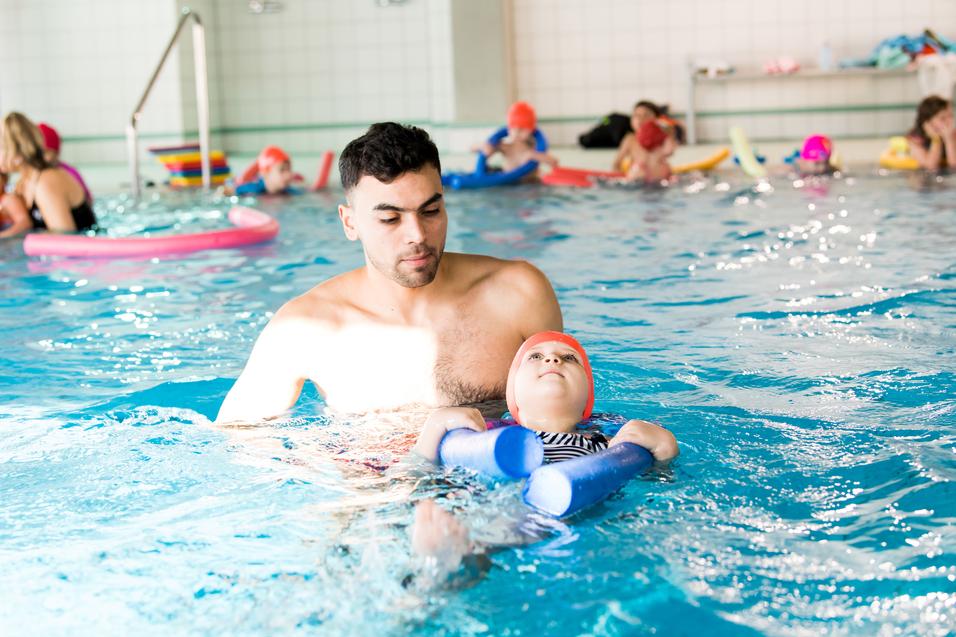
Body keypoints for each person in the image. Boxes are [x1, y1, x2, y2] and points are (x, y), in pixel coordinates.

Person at [216, 122, 562, 423]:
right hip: (372, 494)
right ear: (350, 223)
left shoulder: (517, 294)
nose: (417, 234)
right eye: (390, 219)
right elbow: (239, 439)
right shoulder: (305, 327)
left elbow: (570, 417)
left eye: (431, 210)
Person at [409, 331, 679, 579]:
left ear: (588, 396)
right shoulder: (482, 433)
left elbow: (652, 482)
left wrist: (664, 451)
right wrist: (434, 428)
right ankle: (454, 560)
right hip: (491, 503)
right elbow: (417, 471)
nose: (552, 359)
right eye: (535, 356)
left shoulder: (610, 439)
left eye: (569, 358)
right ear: (513, 391)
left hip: (576, 506)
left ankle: (459, 561)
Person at [0, 112, 96, 234]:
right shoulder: (22, 184)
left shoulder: (46, 181)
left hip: (88, 248)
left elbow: (64, 237)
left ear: (16, 152)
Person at [472, 101, 558, 177]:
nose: (517, 132)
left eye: (522, 129)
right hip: (509, 184)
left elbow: (554, 162)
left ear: (531, 129)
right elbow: (472, 148)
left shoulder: (534, 148)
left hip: (531, 185)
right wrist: (483, 145)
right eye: (514, 128)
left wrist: (533, 155)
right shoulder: (505, 146)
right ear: (508, 129)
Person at [612, 101, 677, 182]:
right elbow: (616, 164)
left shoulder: (663, 137)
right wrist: (621, 179)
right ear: (631, 120)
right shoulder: (630, 139)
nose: (641, 119)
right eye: (637, 115)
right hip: (638, 179)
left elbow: (670, 152)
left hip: (661, 180)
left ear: (656, 119)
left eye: (646, 115)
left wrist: (669, 133)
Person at [37, 122, 93, 203]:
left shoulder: (69, 172)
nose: (41, 158)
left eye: (45, 152)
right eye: (38, 153)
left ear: (56, 152)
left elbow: (87, 200)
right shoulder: (38, 173)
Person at [908, 95, 956, 171]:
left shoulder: (953, 134)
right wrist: (936, 139)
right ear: (928, 121)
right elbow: (930, 166)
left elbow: (954, 166)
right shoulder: (916, 138)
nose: (949, 122)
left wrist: (949, 140)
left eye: (951, 116)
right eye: (942, 118)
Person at [231, 145, 301, 196]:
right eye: (282, 170)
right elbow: (233, 191)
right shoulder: (252, 190)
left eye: (289, 170)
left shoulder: (290, 192)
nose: (288, 175)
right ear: (265, 173)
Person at [0, 171, 31, 238]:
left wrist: (2, 236)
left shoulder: (8, 199)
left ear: (4, 179)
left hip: (12, 243)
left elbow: (25, 223)